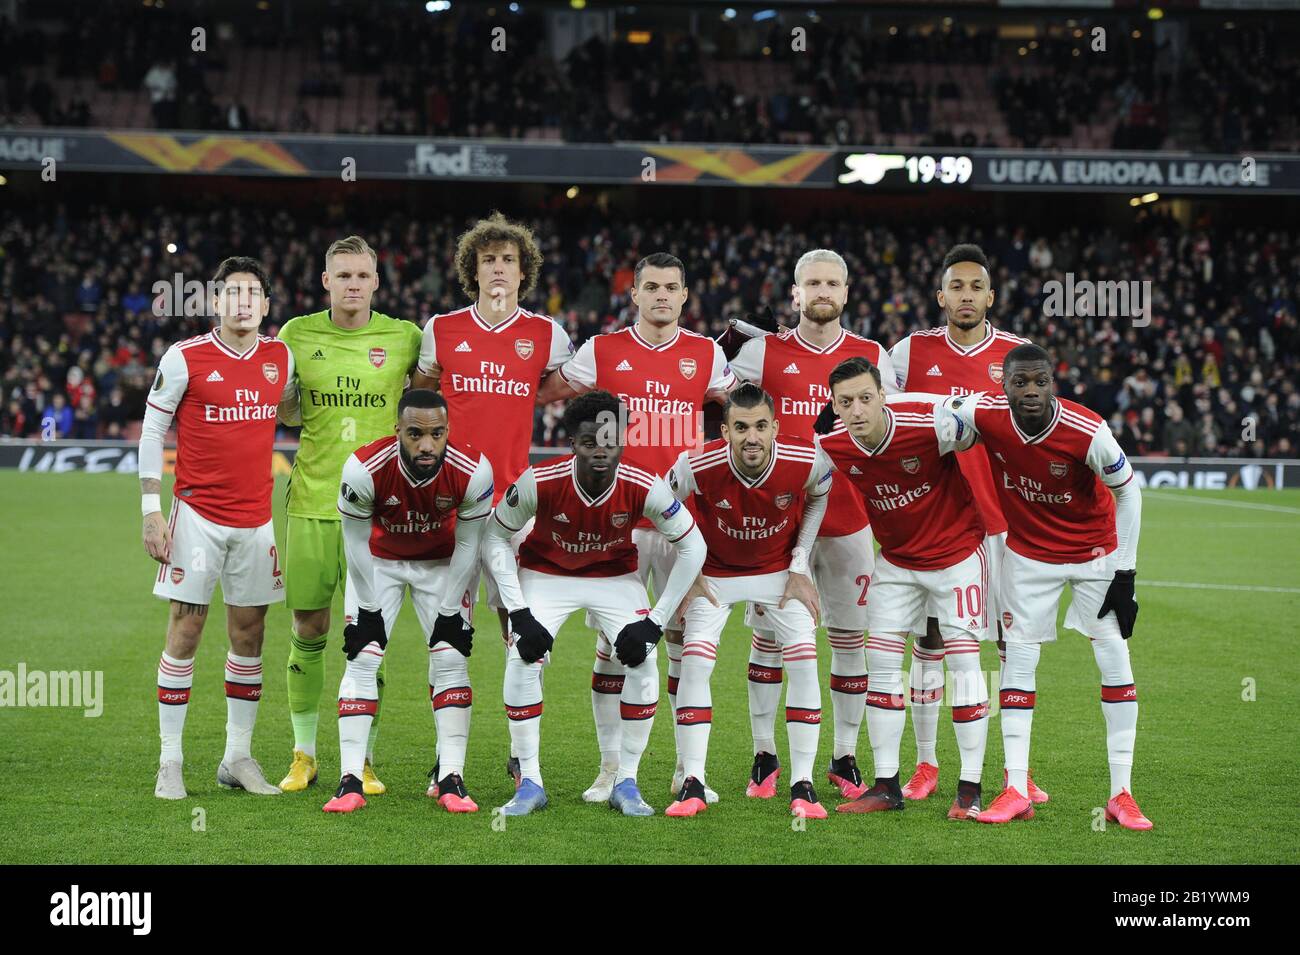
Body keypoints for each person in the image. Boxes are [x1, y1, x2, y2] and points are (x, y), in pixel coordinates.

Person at [537, 251, 735, 803]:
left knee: (681, 642)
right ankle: (610, 769)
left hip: (680, 521)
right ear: (636, 294)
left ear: (685, 294)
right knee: (612, 647)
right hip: (619, 519)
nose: (662, 296)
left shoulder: (707, 354)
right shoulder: (602, 350)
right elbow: (545, 391)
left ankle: (686, 772)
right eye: (652, 287)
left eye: (672, 287)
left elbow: (733, 411)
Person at [942, 344, 1151, 830]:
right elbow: (938, 406)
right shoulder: (986, 413)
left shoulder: (1087, 430)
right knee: (1018, 660)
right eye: (1020, 382)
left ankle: (1122, 794)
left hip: (1093, 555)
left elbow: (1129, 491)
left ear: (1052, 382)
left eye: (1040, 381)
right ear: (1005, 386)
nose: (1031, 391)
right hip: (1028, 557)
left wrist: (1126, 572)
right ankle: (1016, 788)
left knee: (1114, 658)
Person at [483, 390, 706, 817]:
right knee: (522, 656)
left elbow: (692, 546)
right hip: (547, 573)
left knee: (642, 660)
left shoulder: (645, 485)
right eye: (590, 442)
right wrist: (519, 613)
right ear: (573, 444)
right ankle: (529, 781)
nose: (600, 450)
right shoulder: (539, 481)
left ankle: (627, 781)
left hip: (613, 577)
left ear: (623, 440)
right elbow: (495, 535)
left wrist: (656, 623)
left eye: (610, 440)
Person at [729, 248, 897, 801]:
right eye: (812, 283)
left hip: (850, 521)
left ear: (846, 293)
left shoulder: (872, 355)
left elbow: (887, 432)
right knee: (766, 643)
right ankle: (763, 754)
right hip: (777, 523)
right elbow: (722, 399)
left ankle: (844, 757)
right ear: (796, 293)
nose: (822, 291)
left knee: (851, 642)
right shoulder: (761, 351)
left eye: (832, 283)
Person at [888, 243, 1046, 804]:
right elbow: (882, 418)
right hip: (937, 523)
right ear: (941, 296)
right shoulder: (909, 353)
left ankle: (1014, 772)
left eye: (975, 287)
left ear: (990, 296)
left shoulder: (1017, 356)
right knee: (929, 643)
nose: (966, 296)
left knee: (1010, 641)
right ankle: (927, 764)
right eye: (956, 287)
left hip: (1004, 523)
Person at [276, 235, 423, 796]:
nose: (353, 285)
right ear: (326, 281)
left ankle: (360, 760)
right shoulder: (296, 334)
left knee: (367, 638)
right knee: (308, 628)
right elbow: (286, 409)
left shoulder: (404, 338)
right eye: (343, 276)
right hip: (311, 504)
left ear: (376, 282)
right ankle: (304, 753)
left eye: (362, 276)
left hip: (377, 514)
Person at [140, 256, 291, 800]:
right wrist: (150, 509)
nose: (243, 301)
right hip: (197, 518)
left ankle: (237, 757)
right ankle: (171, 761)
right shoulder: (185, 358)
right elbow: (153, 428)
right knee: (186, 629)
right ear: (215, 302)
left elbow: (295, 410)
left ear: (266, 306)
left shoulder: (281, 357)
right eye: (232, 292)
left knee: (250, 634)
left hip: (257, 521)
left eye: (253, 292)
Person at [818, 357, 991, 819]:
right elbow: (808, 488)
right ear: (834, 406)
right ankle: (887, 784)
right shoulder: (833, 444)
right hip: (896, 563)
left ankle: (970, 790)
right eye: (845, 402)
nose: (857, 410)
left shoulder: (927, 423)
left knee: (966, 666)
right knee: (882, 667)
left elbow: (981, 420)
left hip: (957, 558)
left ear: (882, 395)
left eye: (866, 398)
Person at [665, 384, 832, 819]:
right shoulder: (695, 464)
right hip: (716, 575)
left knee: (803, 656)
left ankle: (803, 784)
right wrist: (691, 568)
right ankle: (693, 783)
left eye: (761, 426)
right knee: (696, 661)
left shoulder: (806, 461)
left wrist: (799, 564)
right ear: (725, 432)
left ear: (775, 427)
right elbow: (663, 506)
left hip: (779, 573)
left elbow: (819, 496)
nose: (752, 437)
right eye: (741, 428)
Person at [323, 390, 493, 814]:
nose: (427, 445)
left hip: (442, 564)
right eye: (415, 434)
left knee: (451, 658)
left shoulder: (473, 470)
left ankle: (451, 776)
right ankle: (350, 780)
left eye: (437, 434)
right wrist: (367, 609)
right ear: (398, 429)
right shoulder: (363, 468)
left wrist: (451, 610)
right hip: (379, 564)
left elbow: (470, 547)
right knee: (362, 658)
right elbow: (355, 545)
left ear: (448, 431)